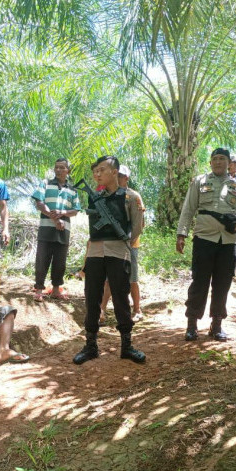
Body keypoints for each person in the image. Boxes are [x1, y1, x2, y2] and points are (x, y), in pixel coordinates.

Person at [72, 156, 146, 365]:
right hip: (95, 252)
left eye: (102, 170)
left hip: (118, 251)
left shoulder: (130, 198)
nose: (97, 174)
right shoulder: (94, 197)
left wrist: (125, 243)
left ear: (115, 172)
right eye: (95, 171)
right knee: (92, 296)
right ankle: (91, 345)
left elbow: (138, 226)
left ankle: (127, 345)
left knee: (121, 298)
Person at [177, 148, 236, 341]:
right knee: (199, 282)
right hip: (204, 238)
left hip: (227, 241)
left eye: (222, 159)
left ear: (229, 163)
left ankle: (216, 324)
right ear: (210, 162)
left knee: (222, 284)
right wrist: (181, 234)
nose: (218, 162)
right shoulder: (200, 182)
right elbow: (188, 208)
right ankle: (192, 324)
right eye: (215, 159)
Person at [101, 165, 146, 322]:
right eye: (115, 175)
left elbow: (138, 225)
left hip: (130, 245)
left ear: (126, 178)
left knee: (132, 278)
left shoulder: (133, 196)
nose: (117, 178)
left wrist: (129, 241)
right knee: (108, 279)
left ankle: (137, 310)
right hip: (111, 245)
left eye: (120, 176)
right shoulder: (106, 196)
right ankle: (102, 311)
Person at [31, 158, 81, 301]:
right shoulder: (45, 184)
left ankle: (56, 290)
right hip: (46, 229)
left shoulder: (72, 190)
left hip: (64, 231)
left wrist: (63, 213)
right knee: (42, 259)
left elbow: (76, 210)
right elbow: (39, 203)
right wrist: (54, 218)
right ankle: (39, 290)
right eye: (56, 167)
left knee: (60, 262)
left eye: (62, 167)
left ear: (68, 171)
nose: (58, 170)